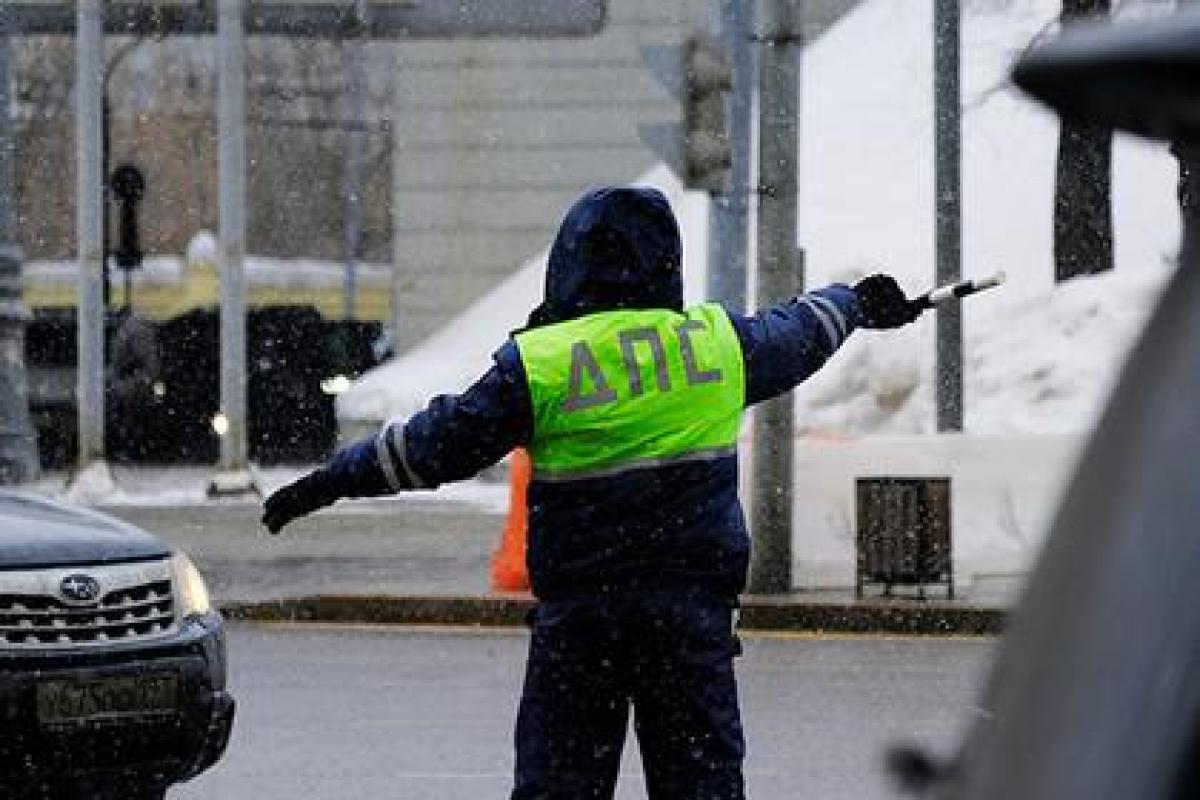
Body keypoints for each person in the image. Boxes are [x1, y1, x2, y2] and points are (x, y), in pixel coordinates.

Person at [262, 186, 920, 799]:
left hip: (583, 626)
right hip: (689, 619)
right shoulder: (717, 345)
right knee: (702, 786)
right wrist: (857, 302)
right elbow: (801, 330)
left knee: (561, 785)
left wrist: (329, 482)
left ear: (570, 262)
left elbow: (433, 447)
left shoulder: (541, 364)